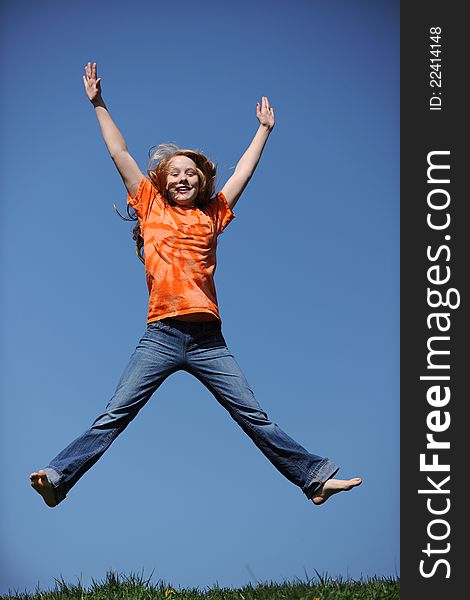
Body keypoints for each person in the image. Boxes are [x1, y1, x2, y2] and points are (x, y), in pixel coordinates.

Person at [30, 62, 362, 508]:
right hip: (162, 335)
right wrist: (98, 104)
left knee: (253, 415)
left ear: (201, 181)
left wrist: (263, 131)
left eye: (191, 173)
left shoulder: (212, 214)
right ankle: (57, 478)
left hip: (209, 341)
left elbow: (243, 173)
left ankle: (314, 480)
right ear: (161, 182)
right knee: (115, 414)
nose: (183, 177)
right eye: (175, 173)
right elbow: (119, 153)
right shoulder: (149, 206)